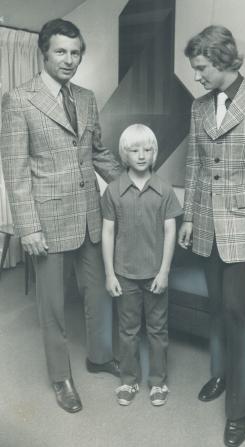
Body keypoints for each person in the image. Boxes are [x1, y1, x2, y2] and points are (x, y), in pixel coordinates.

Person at [0, 18, 122, 413]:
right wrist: (28, 227)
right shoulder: (19, 99)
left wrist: (132, 186)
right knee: (52, 305)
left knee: (100, 293)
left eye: (75, 53)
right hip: (47, 223)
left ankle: (99, 356)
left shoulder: (85, 97)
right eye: (61, 52)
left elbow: (97, 152)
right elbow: (15, 171)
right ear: (43, 53)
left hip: (89, 215)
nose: (70, 60)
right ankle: (61, 377)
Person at [178, 25, 245, 447]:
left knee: (238, 314)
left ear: (222, 60)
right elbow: (194, 164)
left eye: (201, 67)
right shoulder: (198, 106)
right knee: (218, 309)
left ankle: (239, 410)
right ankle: (220, 374)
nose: (197, 75)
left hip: (244, 227)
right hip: (206, 224)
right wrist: (189, 218)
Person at [101, 124, 183, 406]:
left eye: (147, 149)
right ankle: (128, 380)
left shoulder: (165, 190)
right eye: (134, 150)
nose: (141, 155)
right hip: (124, 274)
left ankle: (158, 382)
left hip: (155, 275)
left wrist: (164, 271)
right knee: (128, 330)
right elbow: (108, 232)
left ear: (154, 153)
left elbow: (171, 232)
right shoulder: (113, 191)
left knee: (158, 330)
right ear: (124, 154)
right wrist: (110, 274)